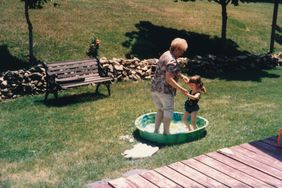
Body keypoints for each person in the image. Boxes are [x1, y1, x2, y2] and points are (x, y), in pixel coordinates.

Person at [151, 38, 189, 135]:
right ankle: (166, 133)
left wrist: (181, 76)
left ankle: (156, 130)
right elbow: (169, 79)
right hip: (165, 90)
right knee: (168, 109)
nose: (182, 54)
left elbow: (169, 70)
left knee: (160, 109)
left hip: (155, 88)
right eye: (182, 51)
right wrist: (181, 89)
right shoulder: (172, 60)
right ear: (176, 49)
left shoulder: (166, 54)